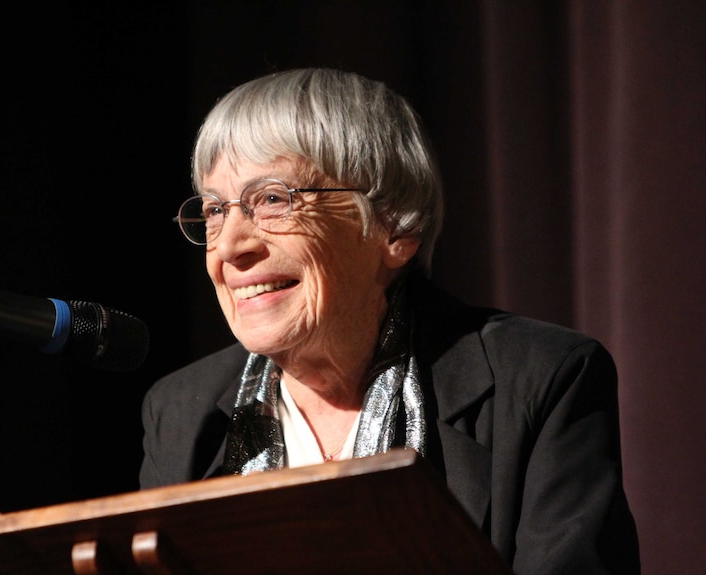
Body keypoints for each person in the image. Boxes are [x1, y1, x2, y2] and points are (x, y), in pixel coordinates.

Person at [139, 67, 639, 573]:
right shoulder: (181, 411)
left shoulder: (538, 380)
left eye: (272, 200)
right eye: (215, 210)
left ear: (395, 225)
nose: (229, 247)